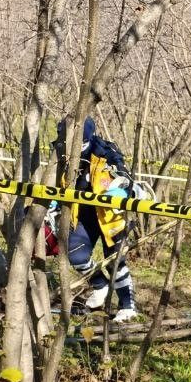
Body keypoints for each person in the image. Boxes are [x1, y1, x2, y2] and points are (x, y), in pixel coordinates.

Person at [55, 117, 139, 323]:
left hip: (109, 216)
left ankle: (128, 306)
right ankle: (99, 286)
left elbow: (125, 177)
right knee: (75, 254)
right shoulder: (60, 152)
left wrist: (121, 186)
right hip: (82, 215)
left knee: (115, 261)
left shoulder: (105, 153)